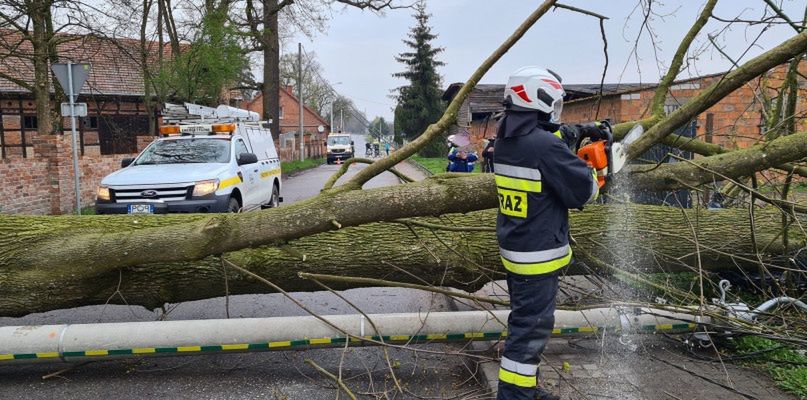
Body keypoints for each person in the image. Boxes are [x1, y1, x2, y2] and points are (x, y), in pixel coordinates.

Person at [494, 66, 599, 400]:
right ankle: (515, 396)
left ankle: (526, 389)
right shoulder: (542, 147)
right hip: (538, 259)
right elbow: (584, 192)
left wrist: (580, 131)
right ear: (543, 97)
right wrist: (595, 170)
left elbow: (550, 138)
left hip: (518, 251)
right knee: (528, 334)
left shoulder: (507, 137)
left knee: (525, 326)